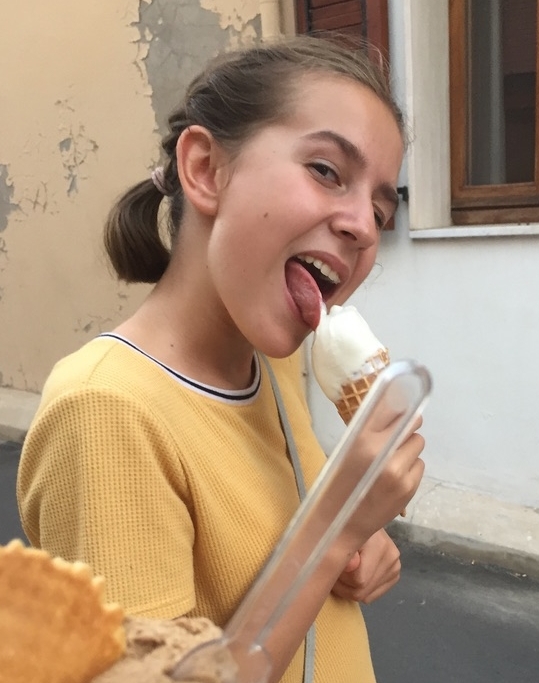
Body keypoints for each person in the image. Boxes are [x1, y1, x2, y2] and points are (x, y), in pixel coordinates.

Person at [17, 36, 425, 683]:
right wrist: (335, 529)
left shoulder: (273, 362)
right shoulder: (106, 411)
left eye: (380, 209)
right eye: (325, 170)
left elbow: (283, 545)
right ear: (206, 169)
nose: (363, 227)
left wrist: (363, 541)